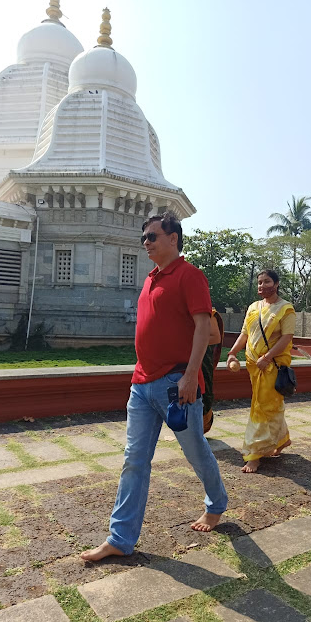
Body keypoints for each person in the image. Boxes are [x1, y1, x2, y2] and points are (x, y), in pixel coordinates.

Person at [81, 212, 228, 561]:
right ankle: (120, 537)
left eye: (152, 237)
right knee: (134, 460)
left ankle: (217, 503)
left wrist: (191, 376)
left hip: (176, 384)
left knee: (195, 453)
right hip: (141, 384)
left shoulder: (190, 276)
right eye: (143, 238)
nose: (145, 242)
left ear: (173, 238)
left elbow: (204, 330)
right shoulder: (149, 279)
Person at [227, 270, 295, 473]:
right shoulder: (253, 308)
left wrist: (267, 357)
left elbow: (286, 338)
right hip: (253, 365)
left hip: (271, 365)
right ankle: (281, 439)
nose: (262, 285)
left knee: (261, 407)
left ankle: (254, 454)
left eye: (267, 282)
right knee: (269, 404)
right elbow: (244, 334)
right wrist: (231, 353)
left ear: (276, 284)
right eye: (259, 282)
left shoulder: (285, 309)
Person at [202, 309, 224, 433]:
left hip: (202, 360)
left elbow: (215, 337)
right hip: (183, 361)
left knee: (204, 394)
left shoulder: (209, 312)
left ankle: (203, 426)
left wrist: (192, 344)